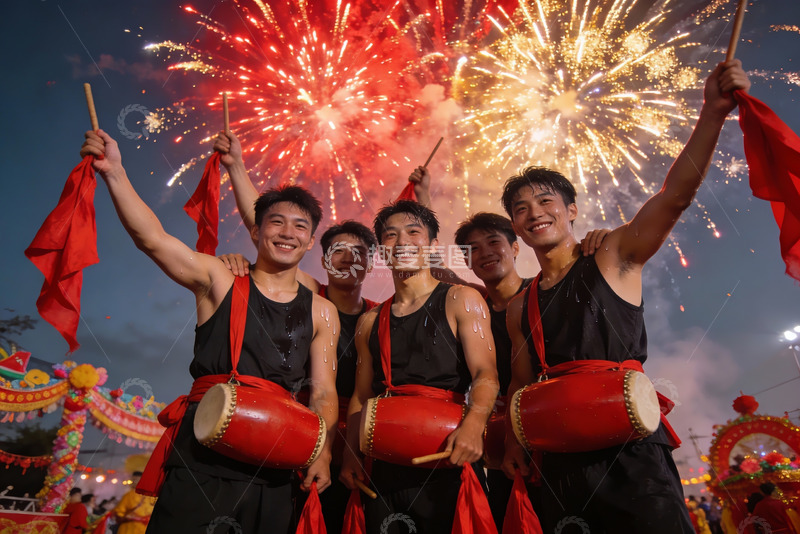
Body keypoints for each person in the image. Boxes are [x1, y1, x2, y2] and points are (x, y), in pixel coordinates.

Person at [501, 59, 751, 533]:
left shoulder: (613, 253)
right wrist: (516, 443)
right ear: (515, 226)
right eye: (521, 209)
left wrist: (713, 113)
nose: (534, 213)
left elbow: (674, 196)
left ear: (571, 209)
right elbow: (520, 382)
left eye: (545, 202)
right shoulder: (520, 305)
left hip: (630, 445)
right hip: (558, 456)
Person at [80, 130, 339, 534]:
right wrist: (114, 172)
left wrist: (320, 452)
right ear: (256, 231)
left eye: (300, 226)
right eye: (277, 222)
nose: (288, 232)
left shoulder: (323, 311)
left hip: (277, 456)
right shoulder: (218, 278)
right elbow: (152, 239)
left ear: (309, 242)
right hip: (203, 451)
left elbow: (322, 392)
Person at [215, 132, 379, 533]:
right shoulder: (309, 294)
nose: (347, 259)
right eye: (337, 250)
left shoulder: (383, 316)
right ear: (319, 257)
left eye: (358, 253)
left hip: (362, 435)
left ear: (371, 265)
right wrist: (236, 166)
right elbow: (274, 236)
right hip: (305, 427)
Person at [339, 199, 499, 533]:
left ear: (432, 245)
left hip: (449, 450)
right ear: (382, 250)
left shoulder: (461, 299)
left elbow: (486, 374)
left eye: (414, 232)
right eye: (391, 236)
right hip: (384, 459)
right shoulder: (370, 321)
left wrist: (474, 425)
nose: (403, 243)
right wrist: (352, 453)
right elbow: (361, 394)